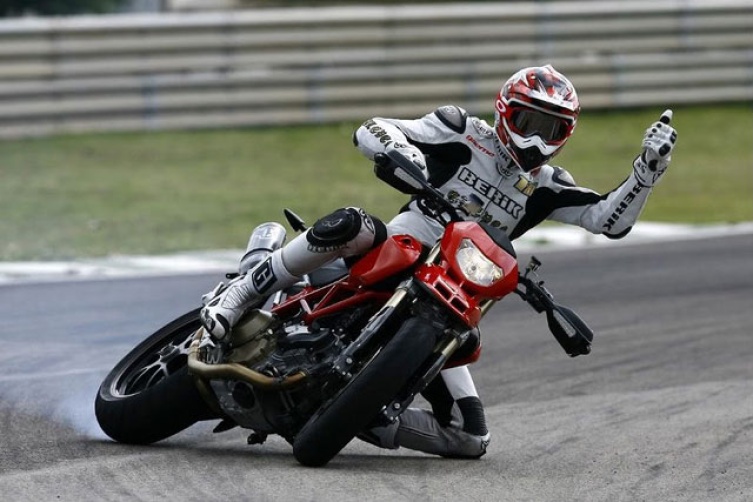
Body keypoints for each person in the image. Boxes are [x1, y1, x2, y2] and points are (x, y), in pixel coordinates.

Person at [200, 64, 678, 458]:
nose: (536, 138)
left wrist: (646, 173)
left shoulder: (548, 186)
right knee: (351, 222)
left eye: (549, 129)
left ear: (565, 133)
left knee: (472, 437)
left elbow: (606, 220)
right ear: (505, 112)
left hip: (454, 293)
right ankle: (243, 291)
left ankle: (367, 414)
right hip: (400, 246)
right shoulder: (462, 132)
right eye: (529, 122)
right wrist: (404, 152)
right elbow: (373, 128)